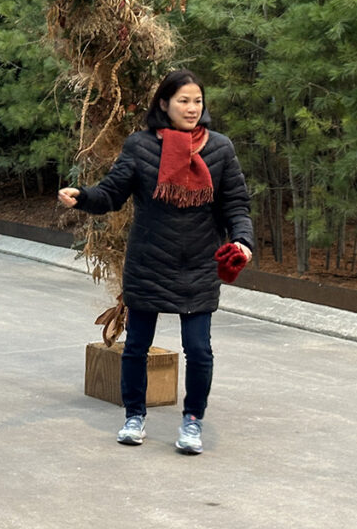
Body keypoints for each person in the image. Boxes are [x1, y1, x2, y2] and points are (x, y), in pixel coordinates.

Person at [57, 69, 253, 455]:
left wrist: (243, 241)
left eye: (197, 100)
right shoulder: (141, 146)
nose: (192, 108)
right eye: (183, 100)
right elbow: (112, 194)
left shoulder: (220, 149)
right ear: (164, 104)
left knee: (199, 350)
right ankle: (134, 415)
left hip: (198, 263)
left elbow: (236, 204)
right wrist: (82, 195)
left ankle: (193, 420)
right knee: (137, 347)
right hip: (149, 260)